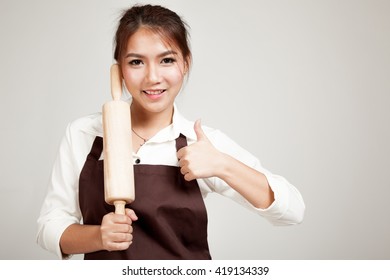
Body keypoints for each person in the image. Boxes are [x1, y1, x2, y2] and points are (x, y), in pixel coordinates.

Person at [36, 4, 305, 260]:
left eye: (166, 60)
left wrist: (222, 165)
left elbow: (292, 211)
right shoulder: (84, 134)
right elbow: (49, 226)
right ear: (118, 70)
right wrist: (98, 236)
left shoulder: (200, 143)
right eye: (136, 62)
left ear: (185, 64)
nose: (153, 77)